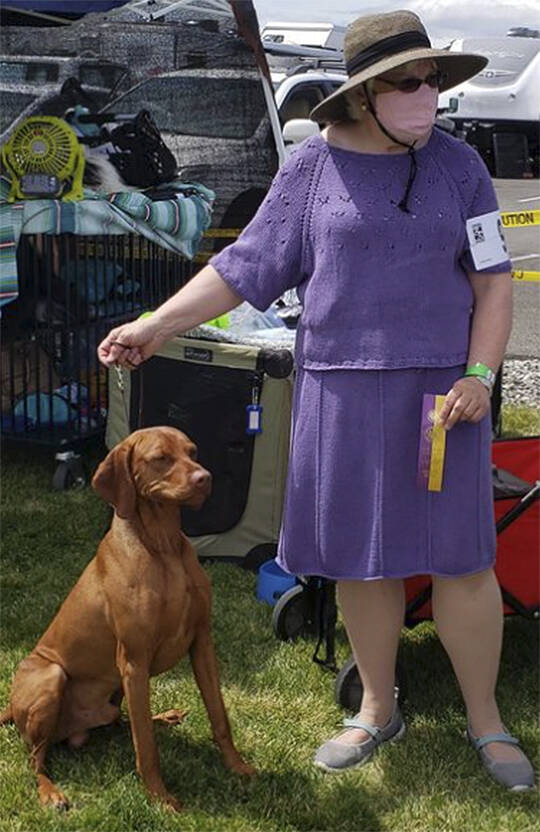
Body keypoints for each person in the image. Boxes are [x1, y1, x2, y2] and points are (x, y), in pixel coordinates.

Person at [98, 10, 535, 791]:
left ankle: (487, 721)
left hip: (445, 396)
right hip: (339, 391)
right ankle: (375, 708)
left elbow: (493, 281)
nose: (426, 92)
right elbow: (247, 266)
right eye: (408, 80)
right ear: (364, 95)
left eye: (433, 77)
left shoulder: (461, 166)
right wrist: (155, 325)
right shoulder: (311, 170)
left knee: (464, 560)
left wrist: (479, 375)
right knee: (363, 561)